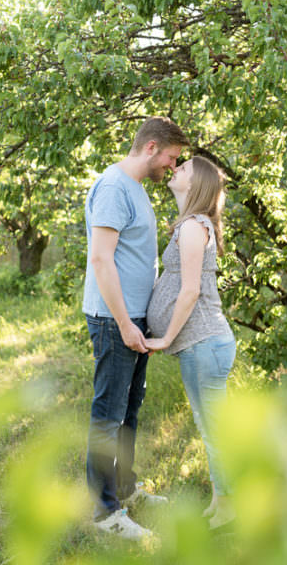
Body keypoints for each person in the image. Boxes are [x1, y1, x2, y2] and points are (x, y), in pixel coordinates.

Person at [83, 116, 189, 539]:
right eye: (171, 157)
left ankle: (126, 489)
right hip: (115, 321)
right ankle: (105, 513)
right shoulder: (113, 187)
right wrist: (126, 323)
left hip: (134, 320)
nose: (173, 166)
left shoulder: (136, 189)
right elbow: (101, 259)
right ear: (151, 148)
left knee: (129, 411)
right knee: (107, 417)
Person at [145, 156, 237, 529]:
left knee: (215, 431)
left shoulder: (194, 227)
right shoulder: (192, 225)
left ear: (195, 184)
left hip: (204, 341)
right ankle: (221, 500)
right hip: (201, 344)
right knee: (209, 427)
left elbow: (190, 290)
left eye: (182, 169)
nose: (175, 170)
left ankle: (230, 508)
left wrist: (166, 336)